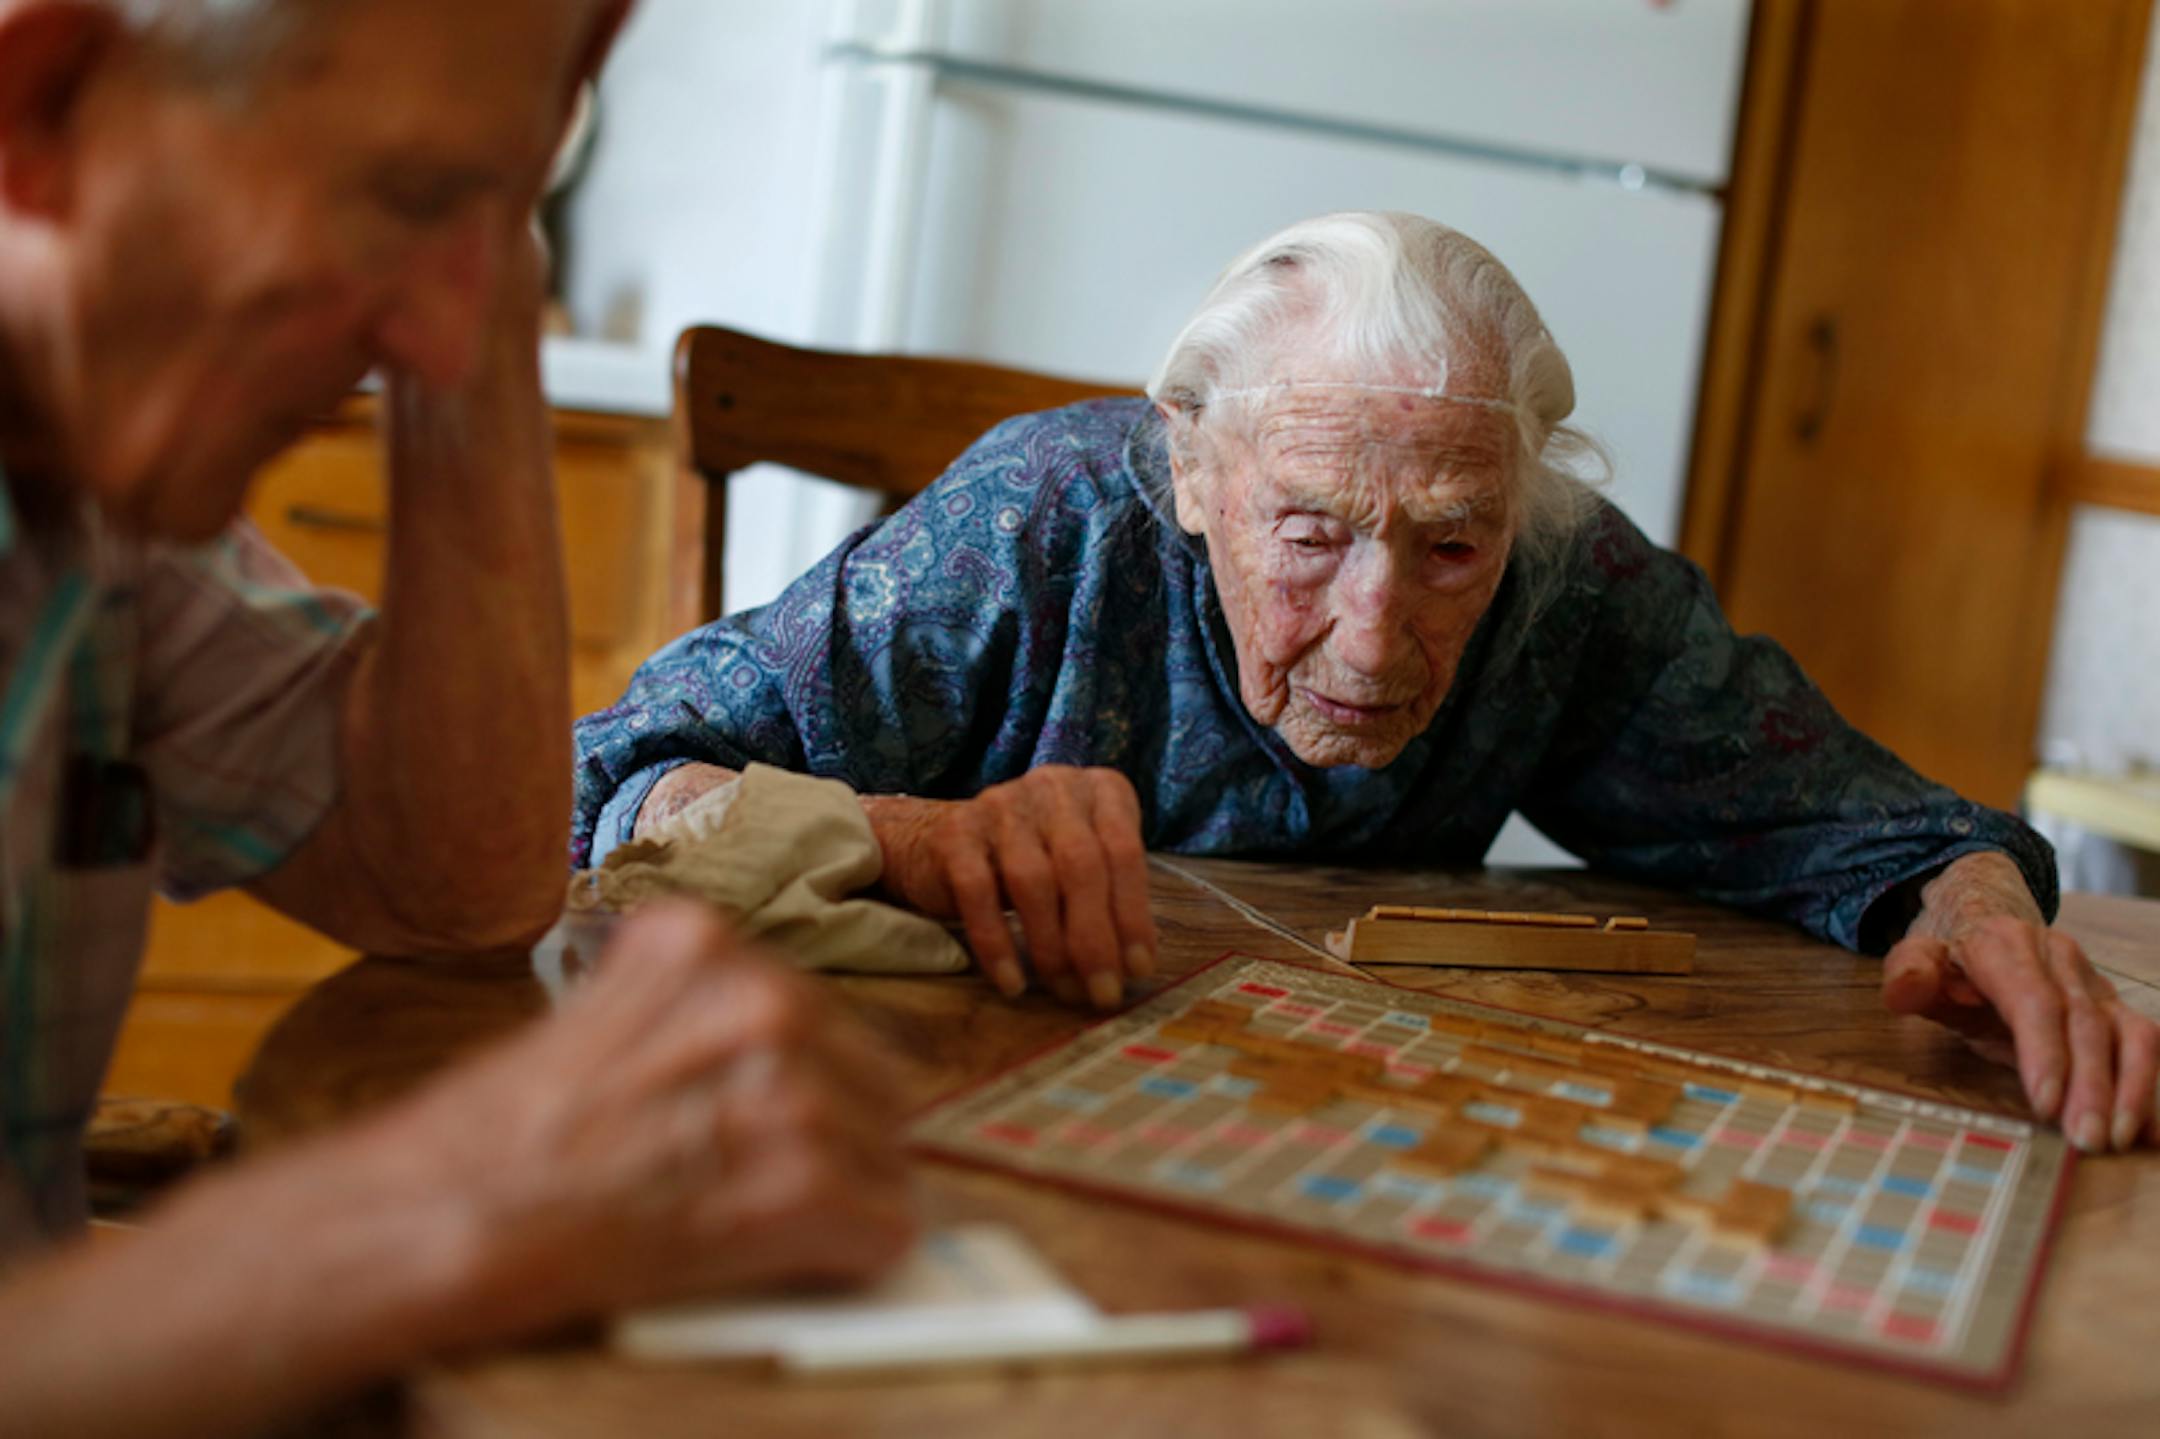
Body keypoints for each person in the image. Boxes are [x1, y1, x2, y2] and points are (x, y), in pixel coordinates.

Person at [575, 210, 2159, 1156]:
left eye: (1453, 546)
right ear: (1192, 471)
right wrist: (904, 835)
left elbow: (1862, 825)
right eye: (1313, 532)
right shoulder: (1036, 524)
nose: (1378, 635)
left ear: (1522, 509)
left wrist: (1977, 912)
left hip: (1324, 1130)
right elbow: (624, 777)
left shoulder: (1571, 582)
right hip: (923, 1125)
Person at [0, 3, 911, 1435]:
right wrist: (430, 1211)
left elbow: (452, 883)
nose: (435, 334)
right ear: (41, 111)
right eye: (405, 194)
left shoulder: (95, 497)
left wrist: (480, 245)